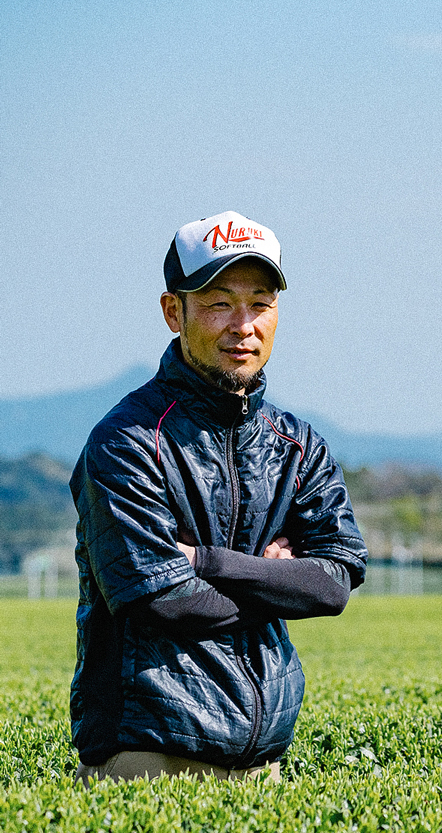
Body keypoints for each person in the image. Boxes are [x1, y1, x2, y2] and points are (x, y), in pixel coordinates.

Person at [69, 210, 367, 784]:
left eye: (260, 302)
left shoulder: (296, 445)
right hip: (145, 763)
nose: (244, 325)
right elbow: (160, 598)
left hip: (264, 768)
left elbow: (334, 584)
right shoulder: (127, 442)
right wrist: (276, 580)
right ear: (172, 312)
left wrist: (207, 563)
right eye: (218, 302)